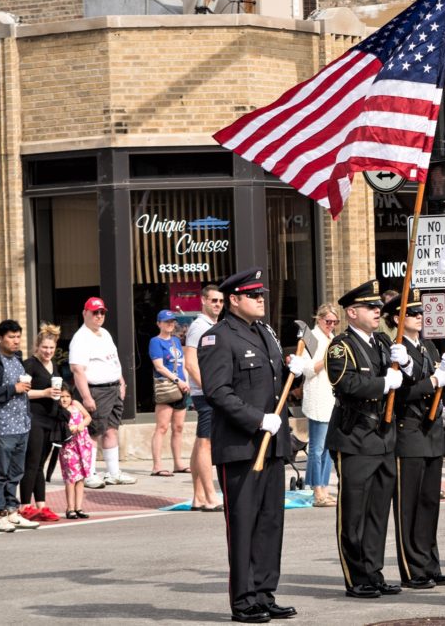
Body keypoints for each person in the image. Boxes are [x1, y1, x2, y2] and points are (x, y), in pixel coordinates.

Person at [199, 267, 304, 623]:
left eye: (262, 294)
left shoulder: (266, 334)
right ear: (234, 300)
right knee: (243, 524)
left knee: (271, 522)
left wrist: (297, 371)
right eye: (253, 295)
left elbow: (274, 384)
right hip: (242, 446)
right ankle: (243, 601)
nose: (261, 300)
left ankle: (264, 592)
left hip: (272, 445)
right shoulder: (218, 338)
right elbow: (216, 392)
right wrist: (257, 419)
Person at [326, 279, 404, 600]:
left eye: (378, 308)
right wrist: (385, 382)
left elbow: (404, 380)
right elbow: (348, 384)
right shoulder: (341, 346)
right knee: (353, 512)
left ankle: (374, 571)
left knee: (377, 512)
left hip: (384, 437)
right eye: (371, 308)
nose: (377, 312)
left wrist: (408, 362)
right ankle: (355, 576)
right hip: (354, 435)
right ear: (352, 312)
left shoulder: (385, 343)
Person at [383, 290, 445, 590]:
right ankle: (412, 569)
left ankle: (429, 562)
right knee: (409, 505)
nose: (421, 317)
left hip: (431, 432)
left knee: (428, 503)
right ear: (397, 319)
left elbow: (440, 386)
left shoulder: (427, 346)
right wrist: (432, 381)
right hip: (408, 430)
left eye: (421, 313)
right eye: (414, 314)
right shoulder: (395, 349)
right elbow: (398, 396)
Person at [0, 319, 42, 533]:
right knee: (0, 473)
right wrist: (13, 388)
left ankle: (13, 512)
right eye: (11, 337)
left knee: (16, 472)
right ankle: (0, 515)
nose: (15, 341)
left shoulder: (18, 359)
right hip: (2, 427)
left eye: (18, 337)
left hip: (21, 425)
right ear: (0, 338)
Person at [69, 297, 136, 488]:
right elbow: (77, 370)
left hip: (113, 387)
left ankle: (113, 472)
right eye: (94, 312)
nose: (99, 316)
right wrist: (87, 397)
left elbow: (113, 360)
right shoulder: (81, 338)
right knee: (94, 432)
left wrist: (121, 381)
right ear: (85, 313)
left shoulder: (105, 333)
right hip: (96, 389)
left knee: (112, 429)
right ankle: (89, 472)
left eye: (101, 313)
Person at [184, 284, 224, 512]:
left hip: (208, 391)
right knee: (206, 442)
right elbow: (190, 363)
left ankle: (198, 496)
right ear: (204, 301)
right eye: (213, 300)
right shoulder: (199, 327)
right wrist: (210, 389)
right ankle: (210, 496)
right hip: (205, 393)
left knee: (201, 442)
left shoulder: (213, 325)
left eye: (220, 301)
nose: (217, 304)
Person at [20, 323, 65, 522]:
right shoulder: (29, 365)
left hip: (50, 419)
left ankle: (41, 506)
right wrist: (44, 393)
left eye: (51, 348)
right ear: (37, 347)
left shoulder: (53, 366)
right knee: (31, 463)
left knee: (40, 464)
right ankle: (24, 506)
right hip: (34, 419)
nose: (48, 351)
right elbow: (22, 391)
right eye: (44, 347)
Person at [302, 303, 340, 507]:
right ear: (319, 319)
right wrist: (328, 357)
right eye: (328, 321)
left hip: (331, 397)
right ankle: (318, 490)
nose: (331, 325)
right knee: (317, 447)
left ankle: (323, 486)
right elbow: (307, 369)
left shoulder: (332, 338)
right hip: (317, 396)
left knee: (328, 447)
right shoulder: (312, 338)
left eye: (335, 322)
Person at [149, 309, 191, 477]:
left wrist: (186, 381)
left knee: (179, 427)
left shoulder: (175, 340)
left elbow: (183, 363)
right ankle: (157, 465)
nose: (170, 324)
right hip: (167, 387)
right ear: (159, 323)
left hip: (182, 387)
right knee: (162, 427)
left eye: (172, 321)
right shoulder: (155, 341)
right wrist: (178, 381)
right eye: (166, 322)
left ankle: (178, 463)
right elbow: (159, 366)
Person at [57, 384, 94, 518]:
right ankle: (70, 508)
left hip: (83, 444)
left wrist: (81, 425)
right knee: (71, 477)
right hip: (68, 446)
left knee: (81, 476)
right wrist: (69, 428)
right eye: (62, 397)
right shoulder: (58, 409)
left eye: (67, 396)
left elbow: (88, 417)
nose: (64, 399)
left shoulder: (76, 404)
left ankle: (79, 507)